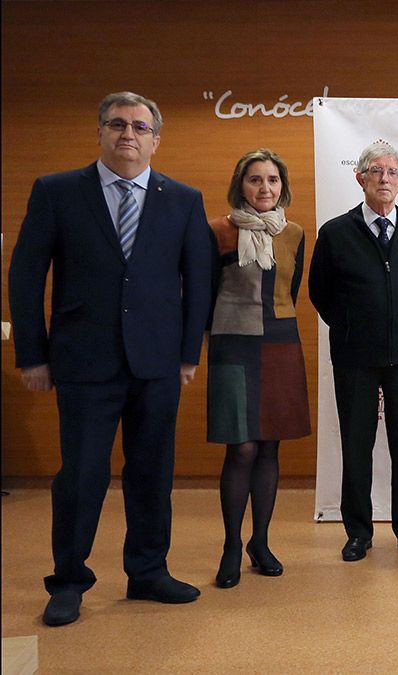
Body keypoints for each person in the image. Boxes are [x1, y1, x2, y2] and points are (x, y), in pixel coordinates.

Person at [8, 91, 212, 626]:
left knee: (151, 472)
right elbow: (26, 276)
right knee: (80, 475)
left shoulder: (183, 199)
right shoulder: (57, 192)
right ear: (99, 132)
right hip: (82, 362)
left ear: (155, 139)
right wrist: (32, 353)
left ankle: (148, 572)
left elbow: (199, 281)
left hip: (158, 363)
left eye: (140, 127)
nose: (129, 134)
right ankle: (69, 581)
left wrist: (189, 353)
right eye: (117, 124)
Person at [308, 142, 398, 562]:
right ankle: (358, 532)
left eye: (392, 172)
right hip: (354, 358)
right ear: (359, 177)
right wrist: (351, 327)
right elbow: (320, 292)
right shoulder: (335, 231)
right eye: (375, 171)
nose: (384, 179)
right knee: (356, 445)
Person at [207, 149, 311, 588]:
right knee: (242, 448)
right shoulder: (217, 231)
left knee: (269, 446)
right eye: (255, 180)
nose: (264, 188)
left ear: (282, 187)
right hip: (233, 344)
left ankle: (261, 542)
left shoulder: (295, 233)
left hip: (281, 342)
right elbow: (202, 289)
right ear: (240, 185)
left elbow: (294, 287)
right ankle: (231, 545)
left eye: (272, 180)